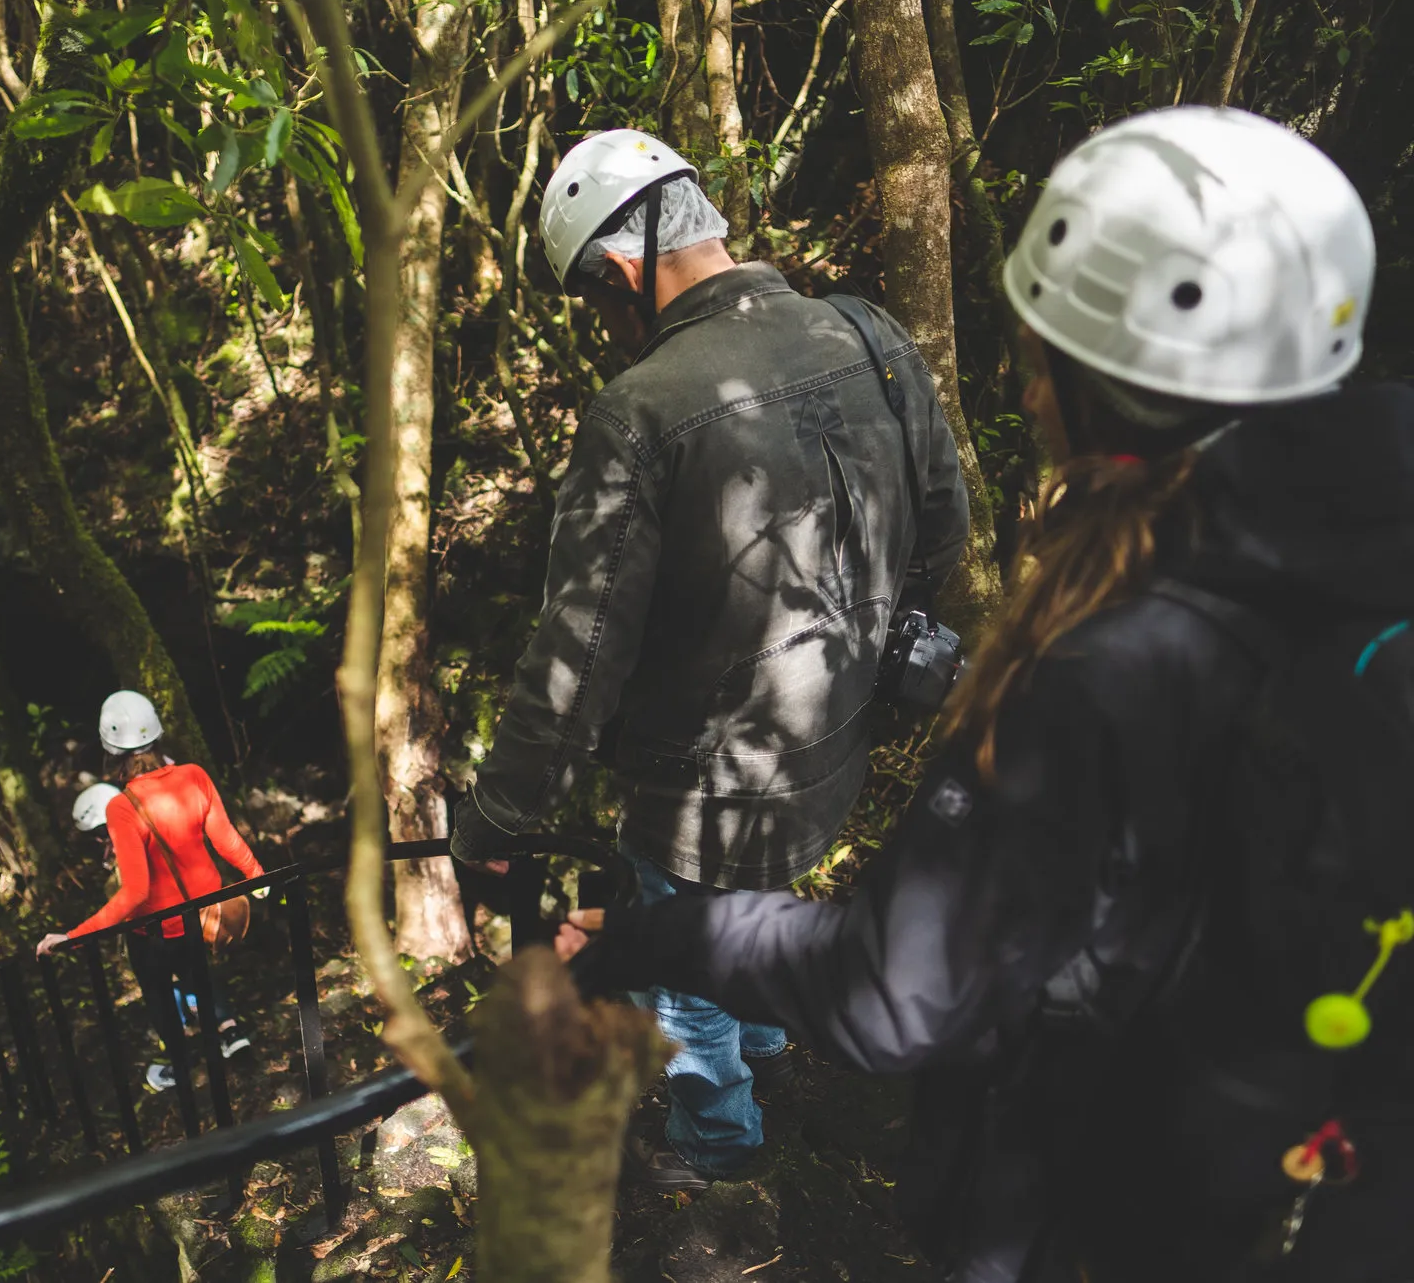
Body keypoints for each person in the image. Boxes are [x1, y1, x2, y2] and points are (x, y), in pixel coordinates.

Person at [558, 107, 1413, 1280]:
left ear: (1095, 382)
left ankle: (726, 1145)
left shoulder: (1104, 665)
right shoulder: (1358, 559)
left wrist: (648, 935)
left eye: (1030, 357)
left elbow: (893, 991)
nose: (1021, 397)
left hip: (1125, 1207)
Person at [449, 129, 971, 1190]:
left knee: (681, 975)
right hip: (835, 745)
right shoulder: (868, 332)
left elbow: (578, 653)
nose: (603, 328)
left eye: (596, 302)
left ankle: (717, 1149)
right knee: (766, 904)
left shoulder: (642, 410)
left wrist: (499, 819)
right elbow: (945, 530)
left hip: (698, 791)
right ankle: (773, 1041)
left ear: (624, 268)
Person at [37, 691, 267, 1094]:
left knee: (159, 994)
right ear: (158, 735)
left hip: (157, 932)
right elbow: (226, 840)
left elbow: (136, 891)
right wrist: (257, 876)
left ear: (109, 750)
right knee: (202, 978)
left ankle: (181, 1068)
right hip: (205, 917)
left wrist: (75, 937)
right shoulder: (194, 776)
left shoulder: (122, 807)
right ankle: (227, 1038)